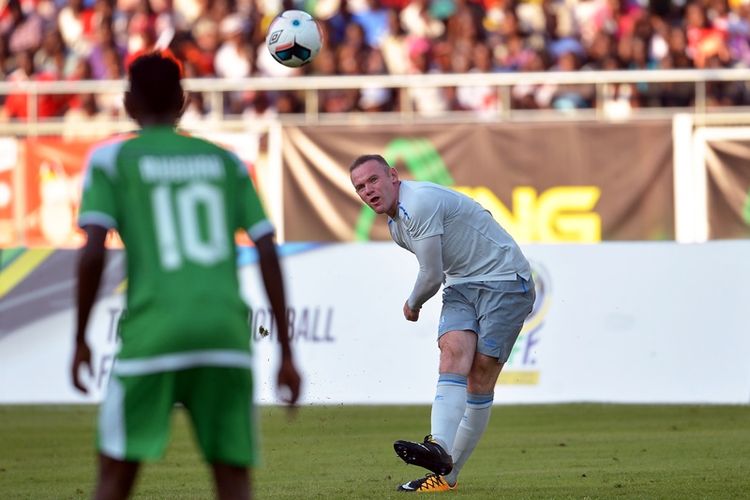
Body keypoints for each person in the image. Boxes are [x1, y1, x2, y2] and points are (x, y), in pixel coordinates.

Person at [71, 51, 301, 500]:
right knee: (233, 478)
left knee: (115, 474)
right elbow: (267, 248)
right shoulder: (226, 163)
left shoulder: (111, 161)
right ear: (183, 101)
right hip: (224, 336)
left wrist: (80, 336)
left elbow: (93, 252)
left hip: (151, 333)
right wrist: (286, 351)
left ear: (127, 103)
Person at [349, 154, 535, 493]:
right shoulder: (396, 226)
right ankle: (438, 449)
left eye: (373, 180)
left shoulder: (418, 202)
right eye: (360, 187)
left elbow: (431, 275)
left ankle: (446, 474)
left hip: (506, 279)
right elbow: (442, 269)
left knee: (479, 375)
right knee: (451, 356)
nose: (368, 190)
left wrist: (412, 304)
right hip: (463, 284)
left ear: (393, 176)